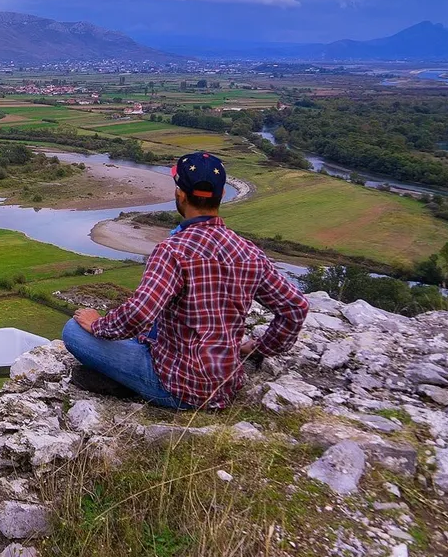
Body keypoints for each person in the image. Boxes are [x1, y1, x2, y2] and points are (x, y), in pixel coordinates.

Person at [62, 152, 308, 409]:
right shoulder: (248, 251)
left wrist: (97, 325)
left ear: (180, 194)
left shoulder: (173, 250)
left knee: (72, 330)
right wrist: (260, 348)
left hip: (177, 387)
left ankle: (130, 385)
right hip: (225, 383)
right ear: (222, 195)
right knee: (153, 327)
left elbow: (140, 312)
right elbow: (296, 307)